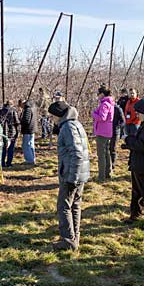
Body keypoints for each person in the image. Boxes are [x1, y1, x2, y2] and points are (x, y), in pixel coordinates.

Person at [49, 101, 91, 251]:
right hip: (79, 173)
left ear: (58, 115)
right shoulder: (76, 124)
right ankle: (74, 237)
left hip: (71, 174)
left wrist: (72, 177)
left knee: (64, 206)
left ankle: (68, 240)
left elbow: (77, 154)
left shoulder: (68, 128)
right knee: (75, 205)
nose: (52, 119)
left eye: (52, 116)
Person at [92, 86, 116, 181]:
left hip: (102, 132)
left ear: (102, 94)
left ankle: (101, 176)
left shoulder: (105, 104)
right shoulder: (110, 103)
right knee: (106, 153)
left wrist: (93, 114)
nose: (97, 96)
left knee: (101, 154)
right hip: (107, 131)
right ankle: (108, 173)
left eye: (98, 94)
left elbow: (102, 117)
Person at [0, 101, 21, 168]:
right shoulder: (13, 111)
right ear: (12, 104)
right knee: (11, 149)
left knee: (3, 148)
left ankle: (2, 163)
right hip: (12, 132)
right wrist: (18, 132)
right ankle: (9, 163)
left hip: (2, 132)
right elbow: (17, 122)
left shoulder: (1, 111)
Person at [20, 99, 39, 164]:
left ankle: (29, 160)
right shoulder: (33, 107)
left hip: (28, 129)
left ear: (22, 103)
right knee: (31, 145)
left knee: (26, 145)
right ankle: (32, 159)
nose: (21, 108)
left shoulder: (27, 109)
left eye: (21, 106)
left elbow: (26, 120)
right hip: (32, 129)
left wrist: (21, 121)